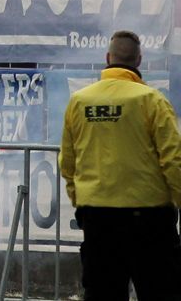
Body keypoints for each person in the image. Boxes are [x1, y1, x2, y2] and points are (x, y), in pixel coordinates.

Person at [60, 31, 181, 300]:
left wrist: (81, 201)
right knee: (161, 291)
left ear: (107, 58)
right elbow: (174, 160)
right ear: (139, 60)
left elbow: (67, 162)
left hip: (98, 218)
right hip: (149, 219)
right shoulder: (152, 101)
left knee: (103, 293)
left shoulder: (79, 101)